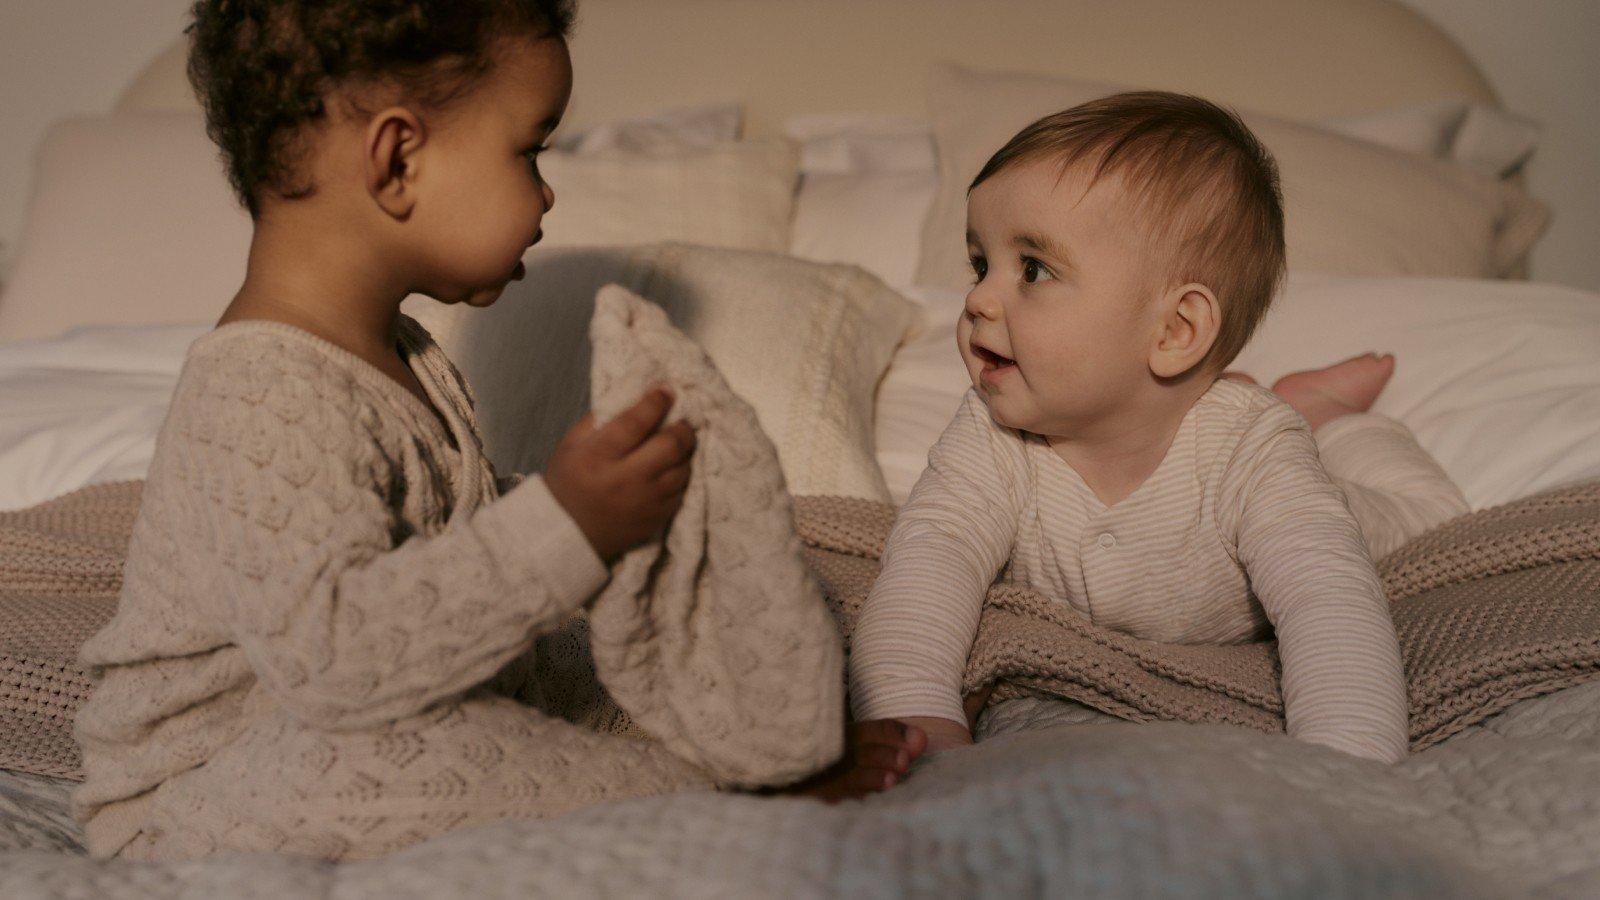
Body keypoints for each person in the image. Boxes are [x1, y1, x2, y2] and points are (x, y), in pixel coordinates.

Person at [72, 0, 837, 861]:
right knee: (393, 756)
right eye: (529, 151)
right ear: (398, 160)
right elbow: (336, 660)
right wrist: (565, 525)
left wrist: (610, 529)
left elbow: (444, 554)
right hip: (201, 791)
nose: (546, 193)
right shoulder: (258, 388)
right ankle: (732, 798)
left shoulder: (403, 355)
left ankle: (727, 745)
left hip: (355, 716)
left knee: (572, 674)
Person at [834, 93, 1469, 796]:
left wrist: (1345, 773)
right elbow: (929, 562)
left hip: (1359, 513)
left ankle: (1331, 414)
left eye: (1033, 270)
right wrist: (916, 720)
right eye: (980, 263)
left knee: (1430, 508)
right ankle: (1297, 398)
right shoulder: (990, 433)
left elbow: (1332, 606)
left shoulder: (1252, 455)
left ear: (1174, 333)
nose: (980, 300)